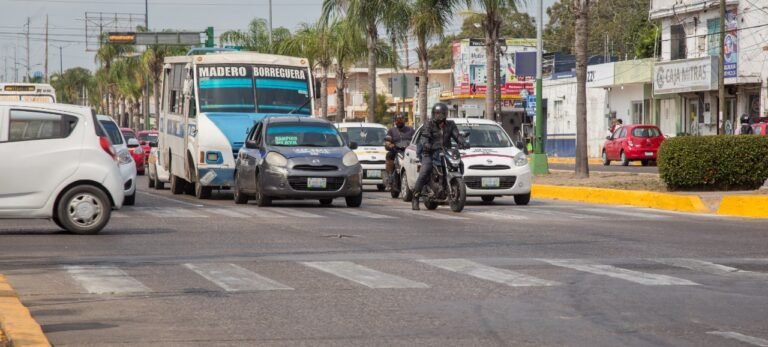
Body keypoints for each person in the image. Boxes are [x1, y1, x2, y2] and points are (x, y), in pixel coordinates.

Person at [412, 103, 468, 210]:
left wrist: (463, 142)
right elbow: (424, 137)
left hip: (446, 152)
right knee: (425, 170)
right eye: (437, 113)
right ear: (433, 114)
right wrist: (426, 144)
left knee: (459, 164)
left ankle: (452, 186)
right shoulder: (428, 124)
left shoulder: (450, 124)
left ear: (445, 114)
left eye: (441, 113)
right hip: (430, 152)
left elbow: (457, 135)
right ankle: (415, 197)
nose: (439, 116)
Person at [384, 113, 415, 182]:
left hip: (408, 152)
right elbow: (387, 140)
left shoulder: (411, 130)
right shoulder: (391, 131)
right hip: (396, 151)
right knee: (389, 155)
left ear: (404, 120)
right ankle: (389, 175)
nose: (399, 121)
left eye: (401, 119)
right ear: (394, 121)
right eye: (397, 120)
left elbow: (416, 140)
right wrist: (389, 144)